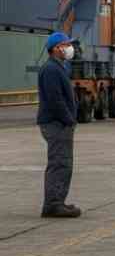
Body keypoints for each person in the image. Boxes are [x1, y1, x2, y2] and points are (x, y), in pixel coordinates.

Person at [36, 32, 80, 218]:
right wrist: (68, 119)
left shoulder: (57, 67)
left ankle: (58, 201)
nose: (70, 48)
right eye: (66, 44)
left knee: (64, 163)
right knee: (60, 163)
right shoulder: (51, 69)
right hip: (56, 123)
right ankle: (53, 204)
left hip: (59, 122)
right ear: (56, 48)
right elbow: (55, 99)